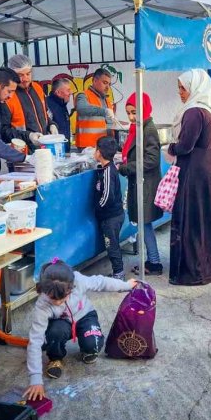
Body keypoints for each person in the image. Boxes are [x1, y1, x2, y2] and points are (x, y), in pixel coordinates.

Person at [22, 259, 137, 400]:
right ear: (44, 290)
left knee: (92, 345)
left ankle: (87, 349)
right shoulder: (42, 304)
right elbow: (35, 340)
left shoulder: (79, 280)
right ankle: (55, 357)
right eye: (53, 299)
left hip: (84, 315)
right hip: (61, 323)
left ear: (72, 287)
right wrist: (35, 379)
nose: (58, 303)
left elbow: (102, 282)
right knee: (55, 332)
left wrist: (126, 285)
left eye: (62, 298)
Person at [167, 69, 211, 286]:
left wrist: (170, 147)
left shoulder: (194, 111)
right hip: (210, 168)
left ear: (194, 88)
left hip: (194, 172)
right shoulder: (210, 109)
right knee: (209, 218)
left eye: (183, 88)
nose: (180, 93)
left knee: (192, 220)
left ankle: (195, 270)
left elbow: (185, 146)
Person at [118, 92, 164, 275]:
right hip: (140, 182)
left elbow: (152, 160)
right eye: (128, 113)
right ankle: (153, 261)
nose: (131, 117)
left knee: (145, 224)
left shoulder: (148, 129)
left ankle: (154, 262)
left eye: (135, 112)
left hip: (146, 184)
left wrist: (127, 167)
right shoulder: (137, 128)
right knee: (144, 224)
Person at [94, 136, 125, 280]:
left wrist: (98, 208)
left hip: (111, 216)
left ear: (99, 152)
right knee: (113, 244)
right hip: (113, 215)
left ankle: (118, 273)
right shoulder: (106, 168)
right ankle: (118, 271)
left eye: (95, 149)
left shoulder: (108, 172)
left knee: (112, 245)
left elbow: (108, 196)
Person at [5, 54, 54, 144]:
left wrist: (52, 125)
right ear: (11, 75)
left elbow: (45, 113)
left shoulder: (37, 88)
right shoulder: (7, 95)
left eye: (28, 74)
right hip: (21, 152)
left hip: (43, 147)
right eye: (20, 75)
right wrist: (29, 136)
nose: (26, 79)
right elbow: (4, 131)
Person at [75, 68, 117, 149]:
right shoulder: (83, 95)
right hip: (87, 147)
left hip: (104, 147)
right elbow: (82, 109)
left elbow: (109, 126)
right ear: (94, 80)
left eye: (109, 84)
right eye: (105, 83)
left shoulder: (107, 101)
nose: (107, 87)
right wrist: (104, 111)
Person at [47, 77, 74, 152]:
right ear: (58, 92)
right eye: (68, 90)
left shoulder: (62, 105)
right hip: (54, 151)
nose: (71, 92)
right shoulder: (48, 105)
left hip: (64, 150)